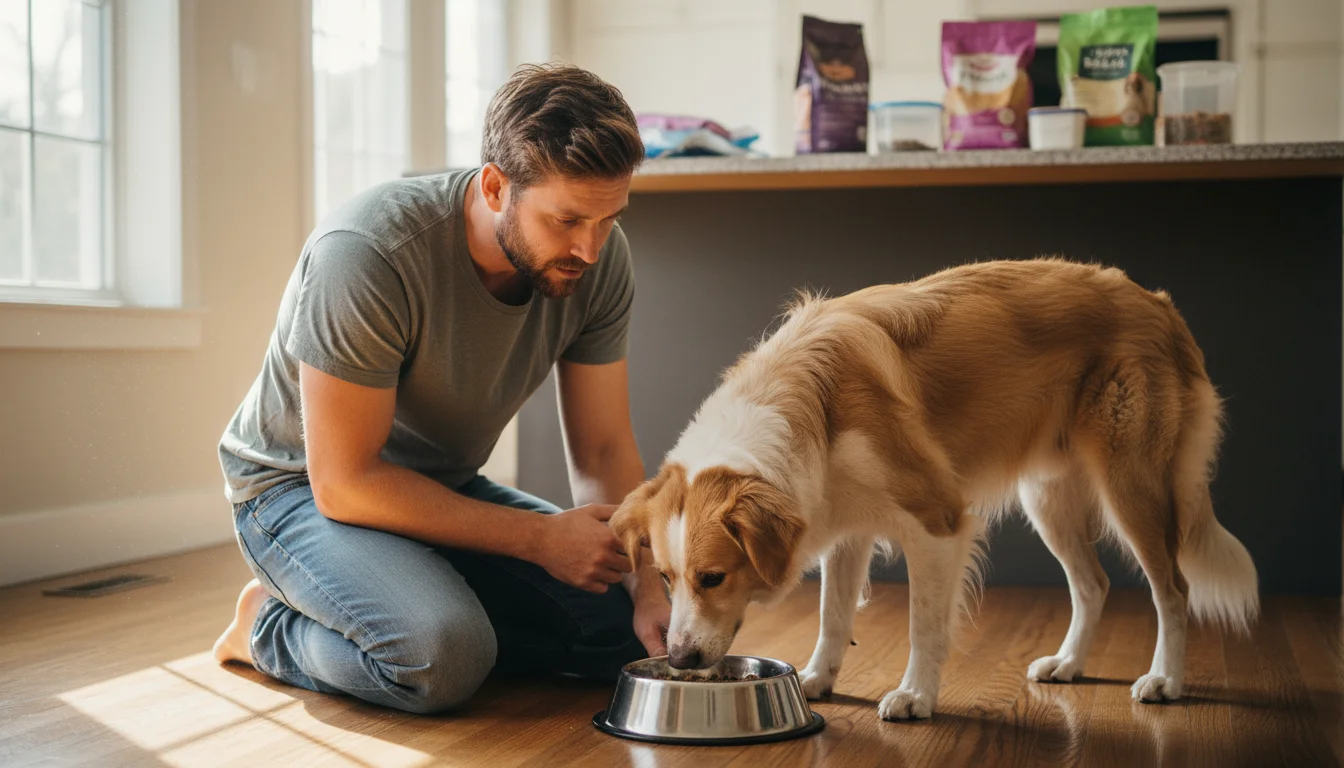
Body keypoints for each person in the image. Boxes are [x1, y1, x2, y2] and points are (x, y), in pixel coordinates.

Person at [211, 63, 668, 714]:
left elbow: (600, 451)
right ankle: (268, 629)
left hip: (442, 489)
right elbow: (345, 483)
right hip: (297, 492)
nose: (590, 249)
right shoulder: (369, 253)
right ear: (493, 187)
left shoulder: (600, 258)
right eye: (567, 220)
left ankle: (414, 603)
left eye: (608, 220)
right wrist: (538, 540)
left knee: (629, 639)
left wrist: (651, 582)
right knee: (442, 660)